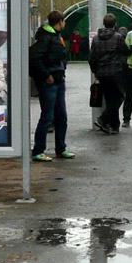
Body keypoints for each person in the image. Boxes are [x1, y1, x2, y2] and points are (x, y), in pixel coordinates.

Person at [29, 11, 74, 161]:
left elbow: (61, 56)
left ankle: (61, 149)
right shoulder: (46, 38)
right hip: (49, 82)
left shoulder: (56, 36)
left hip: (58, 79)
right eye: (64, 22)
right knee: (47, 117)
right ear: (60, 22)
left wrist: (62, 68)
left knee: (61, 116)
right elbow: (34, 57)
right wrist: (46, 75)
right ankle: (38, 151)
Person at [89, 13, 131, 134]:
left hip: (101, 73)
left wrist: (95, 71)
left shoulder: (96, 38)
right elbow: (125, 51)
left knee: (109, 99)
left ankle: (114, 126)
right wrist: (131, 49)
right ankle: (103, 119)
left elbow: (92, 58)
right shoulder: (118, 37)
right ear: (115, 24)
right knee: (119, 97)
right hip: (115, 72)